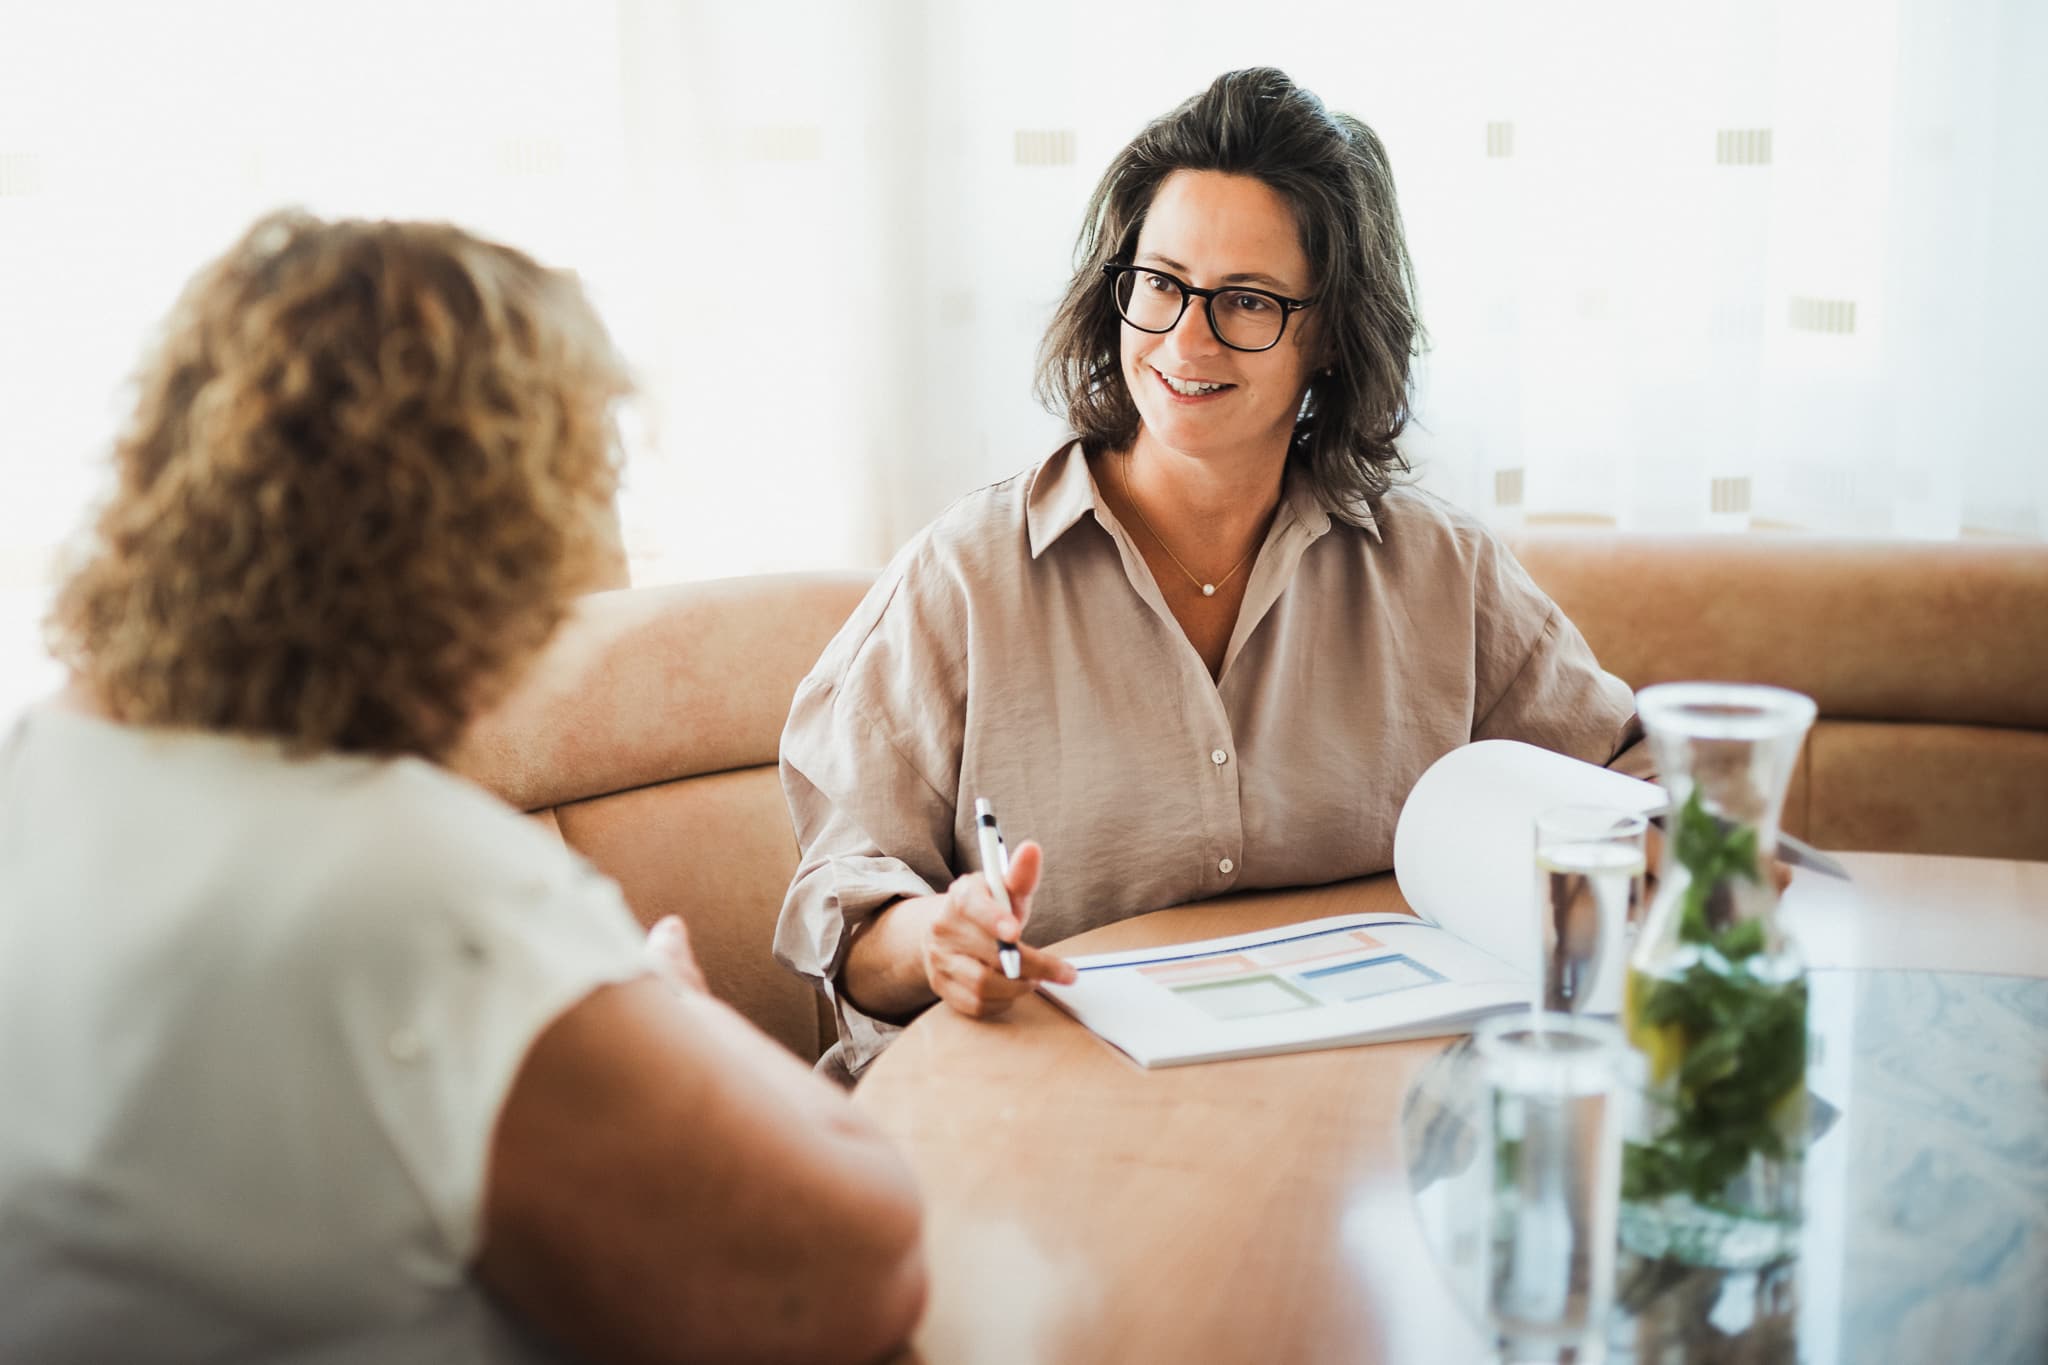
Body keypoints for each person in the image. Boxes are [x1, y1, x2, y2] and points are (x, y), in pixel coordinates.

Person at [0, 212, 925, 1363]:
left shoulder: (42, 763)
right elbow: (850, 1278)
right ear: (499, 540)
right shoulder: (411, 888)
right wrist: (675, 1008)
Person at [774, 68, 1646, 1082]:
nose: (1184, 338)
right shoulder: (961, 579)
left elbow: (1629, 785)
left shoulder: (1441, 574)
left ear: (1326, 334)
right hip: (1039, 1122)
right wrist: (937, 937)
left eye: (1244, 300)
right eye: (1160, 283)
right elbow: (844, 923)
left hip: (1355, 1126)